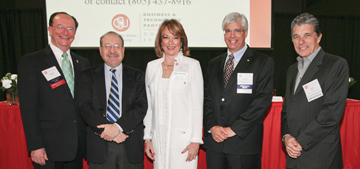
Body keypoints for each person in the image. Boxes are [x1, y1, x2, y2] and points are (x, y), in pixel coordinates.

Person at [18, 12, 90, 169]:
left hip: (76, 146)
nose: (65, 32)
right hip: (48, 148)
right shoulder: (31, 62)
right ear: (50, 30)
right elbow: (29, 109)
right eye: (60, 27)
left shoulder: (83, 63)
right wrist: (35, 145)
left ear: (75, 33)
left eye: (70, 28)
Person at [203, 12, 274, 169]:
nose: (232, 35)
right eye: (228, 31)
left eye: (237, 30)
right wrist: (212, 126)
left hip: (244, 143)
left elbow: (262, 101)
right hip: (215, 143)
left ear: (246, 32)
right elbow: (207, 99)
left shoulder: (262, 62)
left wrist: (234, 129)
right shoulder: (214, 63)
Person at [281, 13, 349, 169]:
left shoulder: (336, 65)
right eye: (296, 36)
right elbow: (286, 110)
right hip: (294, 156)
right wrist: (287, 137)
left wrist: (301, 142)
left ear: (318, 37)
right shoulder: (292, 70)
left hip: (320, 156)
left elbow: (331, 114)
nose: (301, 41)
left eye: (307, 35)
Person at [77, 31, 147, 169]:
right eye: (107, 46)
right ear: (100, 50)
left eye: (117, 46)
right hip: (99, 144)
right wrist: (111, 131)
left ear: (123, 50)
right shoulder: (87, 76)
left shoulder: (138, 76)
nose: (112, 50)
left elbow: (141, 106)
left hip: (129, 143)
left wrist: (118, 127)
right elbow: (85, 107)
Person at [143, 19, 204, 169]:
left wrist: (196, 140)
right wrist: (147, 138)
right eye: (166, 37)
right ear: (160, 41)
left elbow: (197, 105)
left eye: (175, 37)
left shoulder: (192, 65)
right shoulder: (151, 67)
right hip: (158, 139)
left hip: (184, 140)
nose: (171, 42)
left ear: (182, 41)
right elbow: (149, 106)